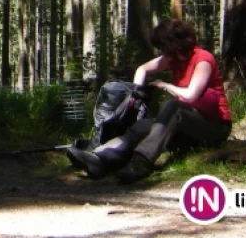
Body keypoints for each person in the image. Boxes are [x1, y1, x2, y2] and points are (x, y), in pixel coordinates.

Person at [67, 18, 232, 183]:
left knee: (174, 106)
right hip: (186, 129)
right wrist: (136, 96)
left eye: (163, 47)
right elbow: (143, 69)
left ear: (173, 43)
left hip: (214, 128)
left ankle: (141, 162)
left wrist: (164, 85)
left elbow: (191, 95)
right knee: (142, 126)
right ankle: (99, 158)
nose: (162, 52)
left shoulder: (203, 59)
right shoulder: (173, 59)